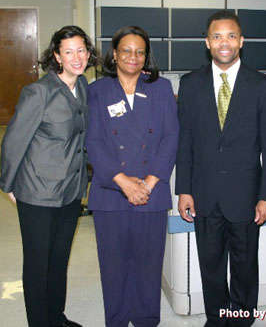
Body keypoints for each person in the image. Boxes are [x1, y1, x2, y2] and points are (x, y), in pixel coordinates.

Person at [175, 10, 266, 327]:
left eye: (231, 35)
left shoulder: (263, 86)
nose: (225, 42)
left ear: (242, 41)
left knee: (245, 265)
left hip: (247, 197)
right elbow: (186, 143)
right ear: (208, 42)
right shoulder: (191, 84)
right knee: (210, 266)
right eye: (218, 36)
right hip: (205, 194)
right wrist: (184, 190)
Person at [0, 25, 97, 327]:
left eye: (81, 50)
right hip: (38, 192)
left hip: (70, 190)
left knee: (58, 262)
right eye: (68, 52)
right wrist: (9, 184)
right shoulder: (39, 91)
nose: (76, 57)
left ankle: (56, 317)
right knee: (38, 265)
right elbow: (14, 141)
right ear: (57, 56)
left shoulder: (82, 87)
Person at [86, 25, 179, 327]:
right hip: (111, 190)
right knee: (113, 265)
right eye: (126, 50)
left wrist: (149, 182)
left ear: (146, 56)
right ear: (114, 54)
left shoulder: (161, 88)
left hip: (151, 191)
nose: (133, 57)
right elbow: (93, 141)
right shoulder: (97, 91)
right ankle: (116, 320)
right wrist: (123, 181)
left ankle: (146, 320)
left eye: (140, 51)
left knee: (148, 264)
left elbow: (171, 137)